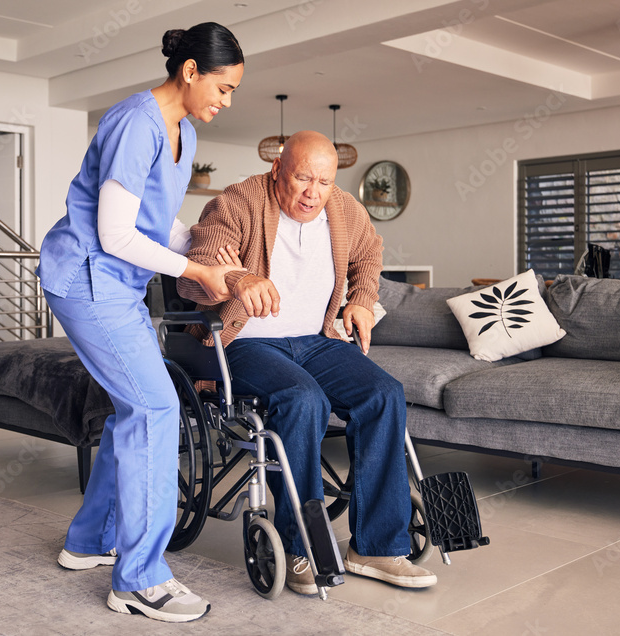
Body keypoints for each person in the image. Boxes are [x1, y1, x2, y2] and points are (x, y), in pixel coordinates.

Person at [35, 23, 244, 623]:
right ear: (190, 72)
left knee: (139, 407)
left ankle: (88, 540)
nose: (225, 103)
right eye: (224, 89)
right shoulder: (136, 123)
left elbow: (156, 222)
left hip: (118, 282)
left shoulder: (178, 129)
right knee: (156, 408)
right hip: (87, 278)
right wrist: (195, 272)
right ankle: (139, 579)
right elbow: (114, 234)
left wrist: (204, 256)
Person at [177, 130, 437, 595]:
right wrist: (236, 278)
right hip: (248, 341)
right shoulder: (236, 202)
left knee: (384, 395)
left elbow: (370, 251)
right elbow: (196, 269)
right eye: (302, 178)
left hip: (317, 341)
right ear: (278, 170)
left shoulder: (342, 208)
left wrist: (360, 298)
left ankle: (376, 547)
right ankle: (300, 547)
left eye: (324, 181)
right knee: (303, 400)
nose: (313, 193)